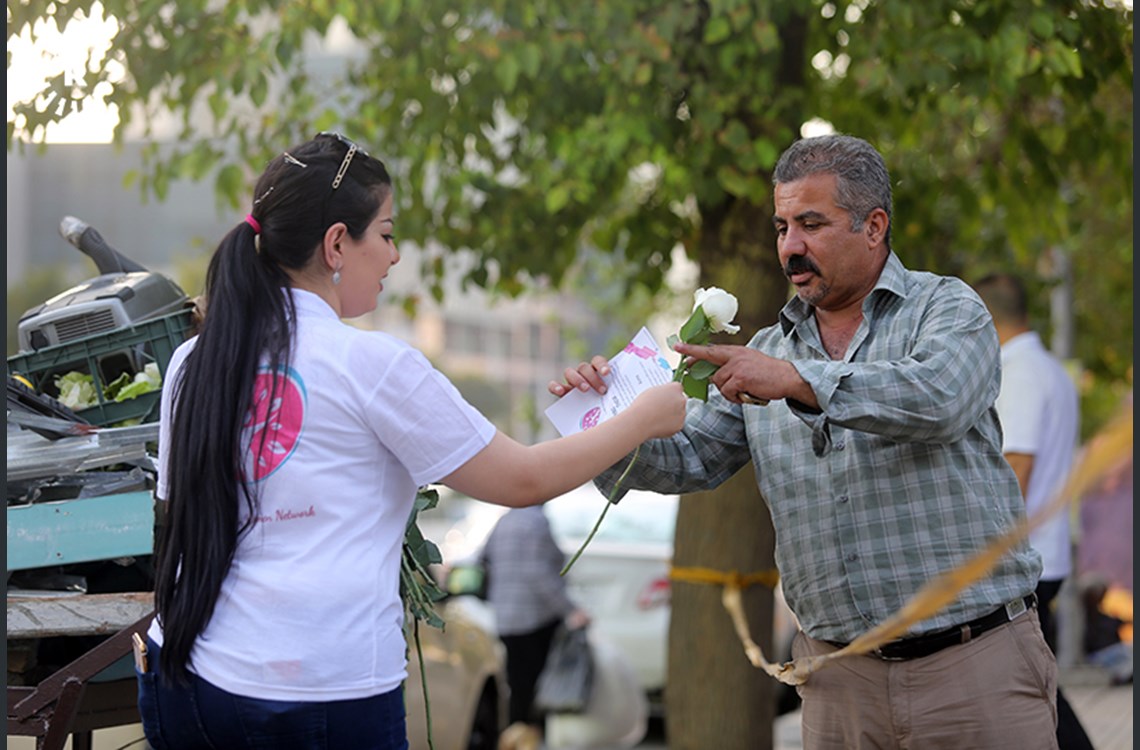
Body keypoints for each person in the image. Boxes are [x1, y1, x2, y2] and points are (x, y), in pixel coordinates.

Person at [138, 133, 687, 750]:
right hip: (316, 695)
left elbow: (175, 517)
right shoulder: (372, 365)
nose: (395, 257)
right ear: (338, 243)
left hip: (186, 680)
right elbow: (522, 479)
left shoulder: (191, 360)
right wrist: (641, 418)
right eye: (388, 234)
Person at [550, 134, 1058, 749]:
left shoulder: (948, 309)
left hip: (972, 668)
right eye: (782, 225)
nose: (791, 246)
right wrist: (602, 419)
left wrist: (797, 381)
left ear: (874, 227)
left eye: (811, 223)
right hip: (837, 684)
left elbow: (938, 399)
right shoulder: (766, 352)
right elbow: (687, 460)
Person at [973, 272, 1093, 750]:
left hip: (1021, 560)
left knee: (1026, 691)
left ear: (981, 318)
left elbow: (1014, 471)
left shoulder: (1018, 374)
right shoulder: (1049, 369)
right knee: (1031, 688)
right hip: (1045, 552)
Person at [481, 506, 590, 746]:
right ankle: (528, 740)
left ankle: (515, 739)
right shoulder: (536, 522)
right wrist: (570, 609)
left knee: (517, 685)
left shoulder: (505, 521)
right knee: (535, 691)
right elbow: (539, 573)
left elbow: (483, 557)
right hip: (534, 618)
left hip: (506, 616)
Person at [1079, 573, 1133, 686]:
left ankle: (1124, 673)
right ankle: (1122, 675)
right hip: (1097, 655)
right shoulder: (1081, 619)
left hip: (1111, 653)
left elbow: (1119, 622)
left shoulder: (1101, 616)